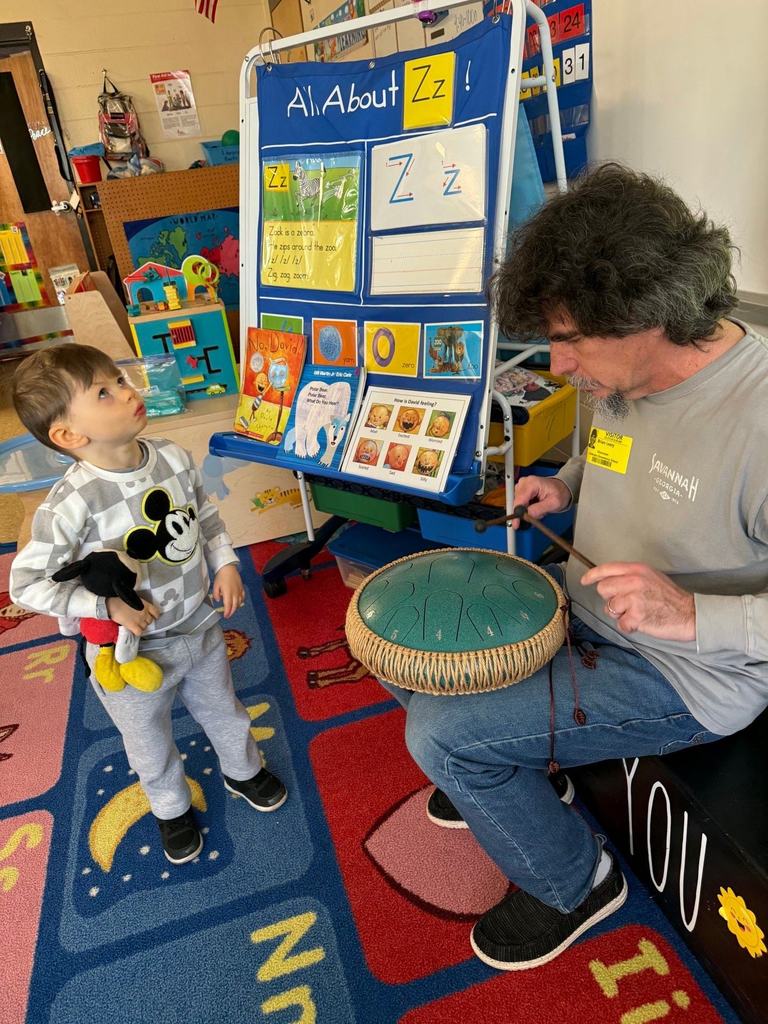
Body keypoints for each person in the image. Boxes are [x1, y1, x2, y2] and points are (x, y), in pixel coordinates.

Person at [379, 163, 768, 971]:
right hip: (592, 602)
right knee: (414, 630)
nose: (557, 367)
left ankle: (576, 883)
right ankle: (517, 773)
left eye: (568, 340)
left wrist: (692, 615)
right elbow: (615, 450)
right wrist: (567, 482)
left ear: (643, 314)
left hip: (687, 669)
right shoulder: (627, 373)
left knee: (442, 735)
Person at [10, 345, 288, 866]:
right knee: (148, 740)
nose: (127, 391)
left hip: (198, 627)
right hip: (131, 655)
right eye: (103, 392)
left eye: (119, 378)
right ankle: (169, 805)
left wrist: (225, 561)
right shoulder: (72, 502)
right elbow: (25, 584)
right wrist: (104, 607)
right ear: (69, 436)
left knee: (225, 711)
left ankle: (243, 770)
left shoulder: (172, 456)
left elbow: (202, 515)